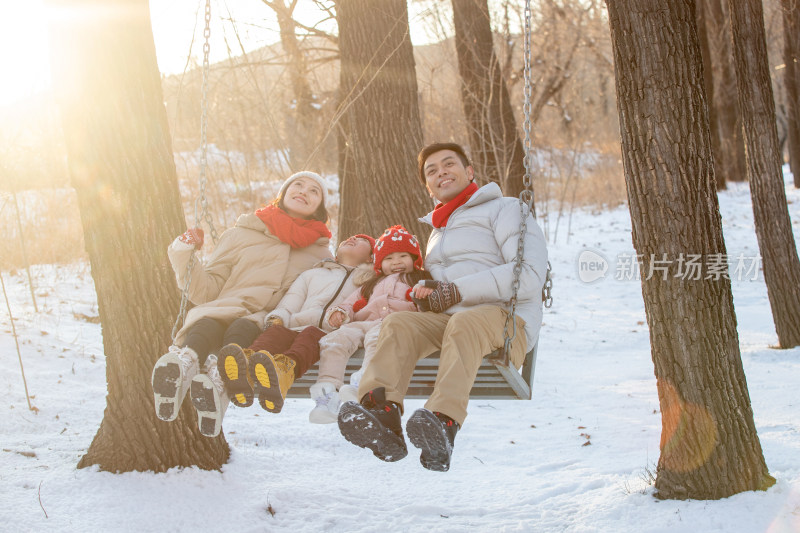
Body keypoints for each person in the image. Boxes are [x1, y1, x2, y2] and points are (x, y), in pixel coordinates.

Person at [337, 142, 548, 471]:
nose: (441, 173)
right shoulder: (437, 232)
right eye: (431, 171)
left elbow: (530, 273)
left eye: (449, 164)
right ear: (428, 186)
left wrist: (455, 291)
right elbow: (440, 288)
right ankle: (383, 415)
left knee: (466, 324)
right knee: (398, 326)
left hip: (506, 323)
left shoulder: (506, 209)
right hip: (451, 323)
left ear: (469, 171)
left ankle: (443, 424)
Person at [151, 171, 333, 438]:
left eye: (314, 191)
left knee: (243, 326)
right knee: (210, 320)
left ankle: (218, 383)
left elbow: (328, 293)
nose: (304, 191)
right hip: (226, 306)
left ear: (319, 208)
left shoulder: (321, 253)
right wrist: (183, 254)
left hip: (268, 322)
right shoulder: (242, 233)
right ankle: (184, 364)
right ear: (283, 193)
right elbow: (207, 290)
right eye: (298, 185)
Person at [213, 233, 375, 422]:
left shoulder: (369, 283)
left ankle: (283, 372)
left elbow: (367, 312)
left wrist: (342, 319)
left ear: (371, 257)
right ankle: (245, 372)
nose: (352, 239)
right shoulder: (313, 274)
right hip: (296, 324)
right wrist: (278, 317)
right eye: (350, 237)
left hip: (328, 333)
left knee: (310, 336)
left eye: (362, 240)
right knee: (275, 333)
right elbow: (291, 301)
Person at [309, 225, 433, 424]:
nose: (396, 262)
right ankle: (327, 393)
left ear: (414, 259)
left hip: (394, 325)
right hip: (365, 323)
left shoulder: (419, 280)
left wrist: (424, 297)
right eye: (389, 258)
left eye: (403, 256)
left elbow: (430, 305)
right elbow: (349, 302)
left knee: (379, 339)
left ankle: (365, 383)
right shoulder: (370, 284)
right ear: (379, 263)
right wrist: (340, 313)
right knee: (335, 339)